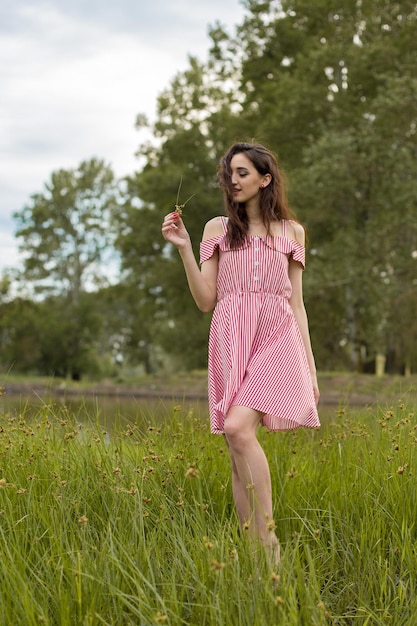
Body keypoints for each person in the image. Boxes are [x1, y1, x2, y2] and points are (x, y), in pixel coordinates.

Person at [162, 142, 320, 564]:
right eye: (229, 173)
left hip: (276, 336)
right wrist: (182, 246)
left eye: (243, 172)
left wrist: (311, 369)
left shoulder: (292, 233)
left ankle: (269, 543)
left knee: (237, 427)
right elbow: (205, 300)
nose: (233, 180)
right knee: (236, 445)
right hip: (231, 335)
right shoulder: (217, 229)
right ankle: (254, 555)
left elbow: (298, 304)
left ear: (265, 179)